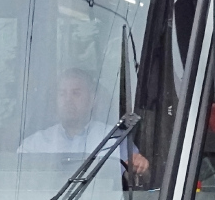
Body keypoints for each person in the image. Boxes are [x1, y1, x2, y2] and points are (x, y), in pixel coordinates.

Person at [19, 67, 150, 177]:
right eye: (62, 94)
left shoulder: (115, 140)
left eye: (76, 93)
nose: (68, 100)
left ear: (92, 99)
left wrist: (142, 168)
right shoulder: (34, 145)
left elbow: (141, 180)